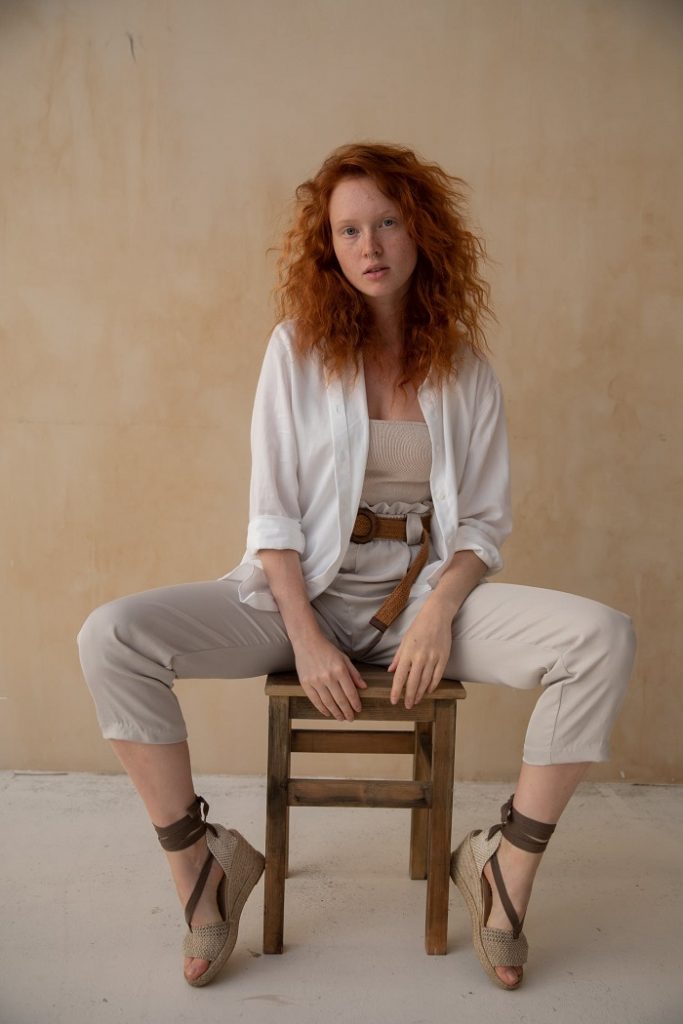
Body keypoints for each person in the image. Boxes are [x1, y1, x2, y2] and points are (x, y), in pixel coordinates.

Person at [77, 141, 636, 991]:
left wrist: (443, 611)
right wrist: (302, 635)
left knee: (602, 636)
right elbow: (271, 515)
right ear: (327, 248)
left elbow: (481, 527)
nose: (368, 245)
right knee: (110, 635)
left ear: (421, 233)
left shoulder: (464, 368)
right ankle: (202, 868)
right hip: (296, 597)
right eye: (347, 230)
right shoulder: (295, 351)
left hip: (421, 607)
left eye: (385, 223)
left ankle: (501, 870)